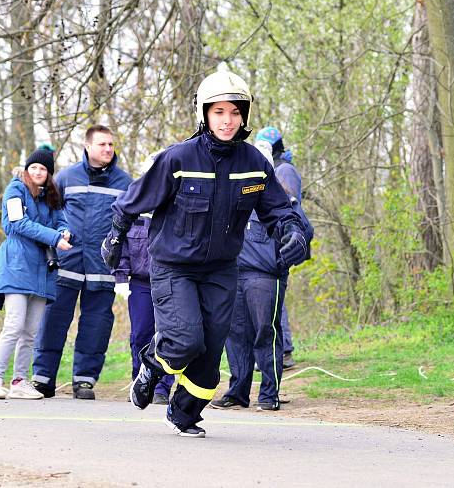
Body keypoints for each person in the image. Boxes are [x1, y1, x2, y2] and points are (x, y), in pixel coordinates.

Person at [102, 69, 308, 437]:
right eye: (219, 112)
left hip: (221, 269)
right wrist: (115, 238)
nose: (228, 120)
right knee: (185, 339)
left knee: (211, 355)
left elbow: (279, 210)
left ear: (244, 115)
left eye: (234, 112)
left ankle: (184, 414)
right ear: (204, 113)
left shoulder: (254, 164)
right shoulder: (177, 159)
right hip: (173, 266)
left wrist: (292, 232)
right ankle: (152, 363)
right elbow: (131, 201)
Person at [211, 141, 313, 412]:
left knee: (265, 333)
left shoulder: (281, 196)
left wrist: (283, 260)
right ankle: (238, 391)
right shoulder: (233, 193)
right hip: (232, 274)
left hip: (265, 276)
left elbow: (303, 230)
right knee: (234, 335)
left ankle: (269, 394)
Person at [31, 125, 131, 400]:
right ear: (87, 146)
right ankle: (42, 378)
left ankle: (84, 380)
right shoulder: (66, 178)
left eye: (111, 144)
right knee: (52, 320)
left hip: (102, 266)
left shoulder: (125, 183)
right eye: (102, 144)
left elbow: (130, 225)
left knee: (96, 324)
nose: (108, 149)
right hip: (66, 263)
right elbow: (48, 216)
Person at [0, 147, 71, 400]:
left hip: (42, 271)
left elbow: (60, 221)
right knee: (13, 325)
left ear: (49, 174)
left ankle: (19, 381)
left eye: (42, 169)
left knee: (30, 331)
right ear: (26, 169)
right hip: (16, 266)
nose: (37, 171)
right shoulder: (15, 190)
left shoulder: (50, 196)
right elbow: (17, 223)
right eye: (33, 167)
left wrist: (64, 231)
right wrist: (55, 237)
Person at [113, 154, 175, 405]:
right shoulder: (131, 201)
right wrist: (120, 277)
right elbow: (120, 243)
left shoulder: (174, 203)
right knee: (140, 335)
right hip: (139, 282)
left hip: (170, 280)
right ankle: (140, 383)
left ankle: (162, 387)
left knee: (168, 335)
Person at [254, 126, 303, 370]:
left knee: (275, 299)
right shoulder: (276, 168)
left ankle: (283, 351)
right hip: (266, 242)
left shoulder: (284, 170)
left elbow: (287, 204)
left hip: (282, 240)